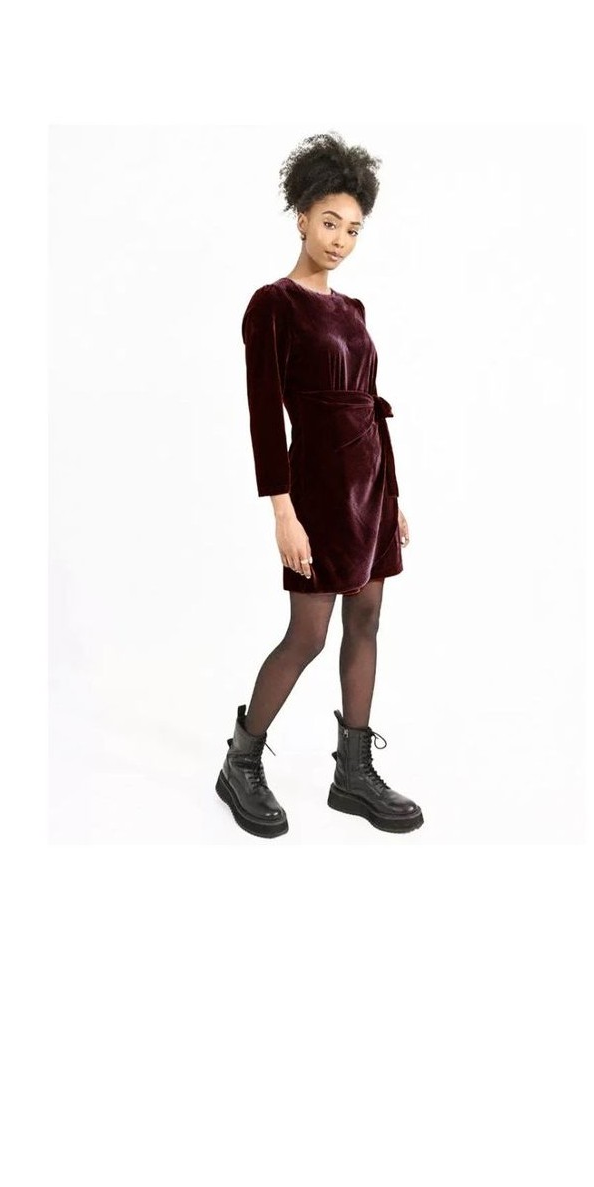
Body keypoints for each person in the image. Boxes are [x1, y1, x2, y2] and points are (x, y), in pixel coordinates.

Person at [215, 131, 425, 839]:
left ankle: (353, 773)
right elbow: (263, 417)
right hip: (317, 491)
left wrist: (392, 497)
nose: (340, 240)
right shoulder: (273, 304)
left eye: (354, 229)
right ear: (301, 216)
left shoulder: (354, 311)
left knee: (366, 622)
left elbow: (369, 406)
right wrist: (284, 512)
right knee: (307, 634)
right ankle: (241, 760)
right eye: (330, 222)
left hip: (370, 489)